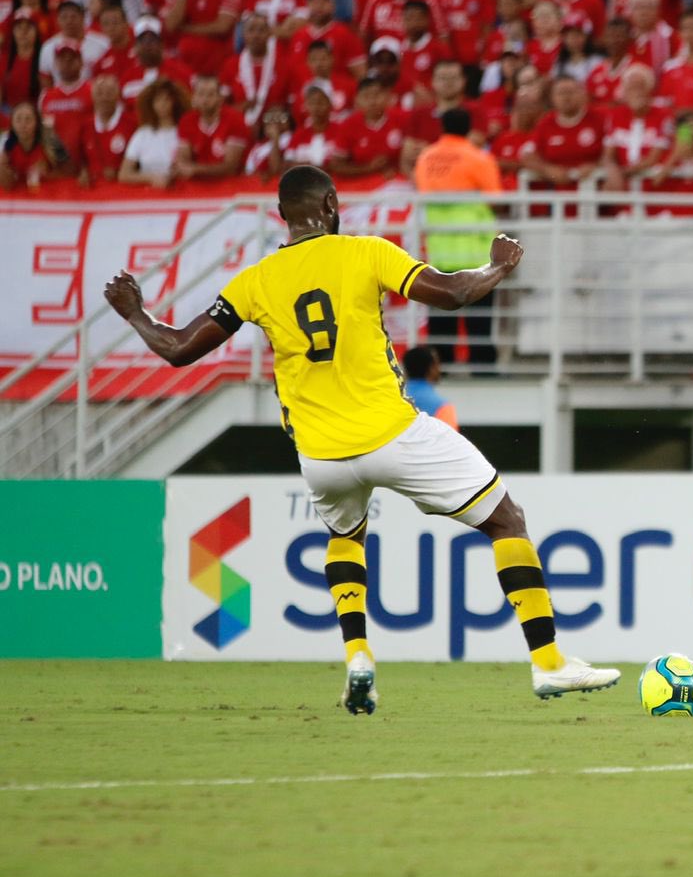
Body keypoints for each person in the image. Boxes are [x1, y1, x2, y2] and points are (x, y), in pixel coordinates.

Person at [103, 165, 619, 715]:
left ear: (282, 216)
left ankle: (358, 657)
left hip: (320, 454)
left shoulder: (254, 282)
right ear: (329, 204)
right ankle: (549, 663)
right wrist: (497, 266)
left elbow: (179, 348)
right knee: (505, 520)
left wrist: (136, 311)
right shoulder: (366, 252)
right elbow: (450, 293)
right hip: (391, 432)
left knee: (345, 535)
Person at [414, 106, 503, 369]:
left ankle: (440, 367)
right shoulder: (478, 158)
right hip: (475, 250)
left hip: (439, 251)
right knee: (479, 318)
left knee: (441, 318)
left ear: (443, 127)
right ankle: (482, 368)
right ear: (469, 128)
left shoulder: (425, 158)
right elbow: (496, 200)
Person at [119, 76, 186, 187]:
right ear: (151, 104)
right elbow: (124, 174)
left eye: (167, 99)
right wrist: (150, 178)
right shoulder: (142, 134)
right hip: (148, 196)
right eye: (158, 100)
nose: (162, 104)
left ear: (175, 102)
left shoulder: (185, 132)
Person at [401, 344, 459, 429]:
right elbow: (450, 440)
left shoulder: (392, 400)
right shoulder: (443, 406)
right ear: (431, 368)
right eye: (437, 364)